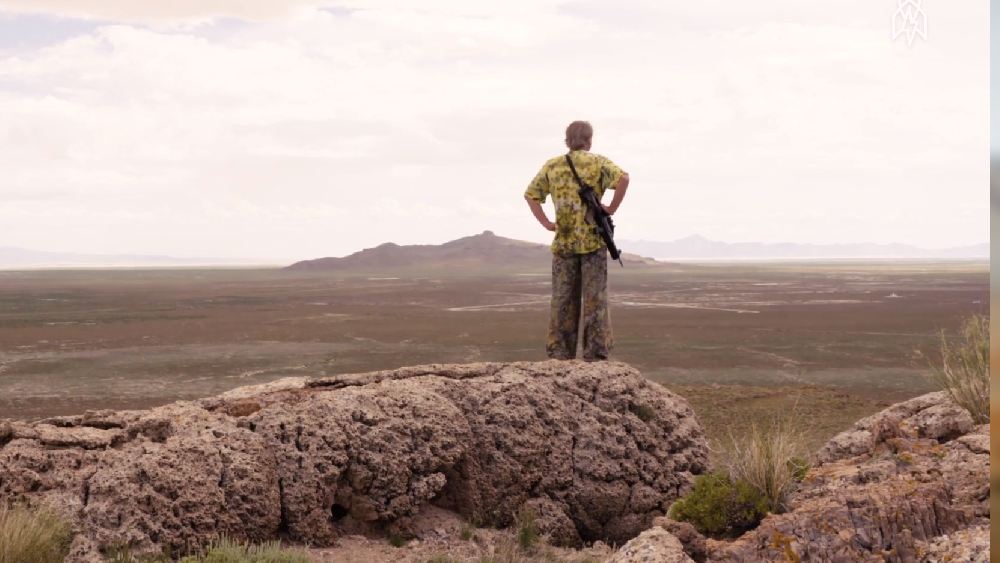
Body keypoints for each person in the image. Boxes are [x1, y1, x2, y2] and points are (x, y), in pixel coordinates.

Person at [523, 121, 630, 360]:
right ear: (589, 140)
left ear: (567, 141)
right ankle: (595, 355)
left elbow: (531, 195)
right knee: (595, 302)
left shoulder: (553, 166)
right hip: (593, 243)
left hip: (564, 244)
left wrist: (548, 224)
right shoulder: (598, 162)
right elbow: (623, 178)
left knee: (562, 302)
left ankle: (560, 356)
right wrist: (611, 208)